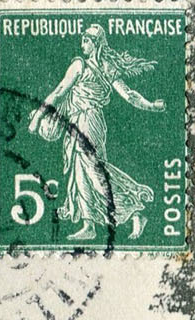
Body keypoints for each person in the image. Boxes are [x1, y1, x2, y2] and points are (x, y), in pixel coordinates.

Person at [30, 24, 164, 241]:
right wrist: (151, 106)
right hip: (81, 121)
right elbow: (127, 94)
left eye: (86, 40)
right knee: (80, 171)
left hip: (88, 121)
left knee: (93, 172)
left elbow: (60, 91)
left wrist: (37, 118)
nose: (82, 43)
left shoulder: (81, 65)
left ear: (95, 43)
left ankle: (133, 211)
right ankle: (89, 224)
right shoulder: (99, 66)